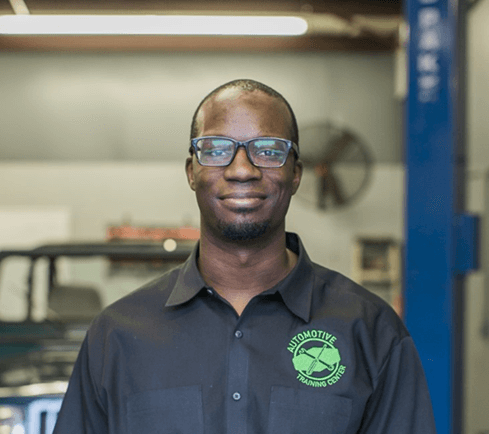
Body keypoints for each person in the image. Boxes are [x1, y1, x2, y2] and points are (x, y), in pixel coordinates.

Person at [54, 79, 436, 434]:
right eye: (216, 150)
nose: (241, 170)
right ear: (192, 171)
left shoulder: (371, 332)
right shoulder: (117, 336)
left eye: (268, 151)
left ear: (296, 173)